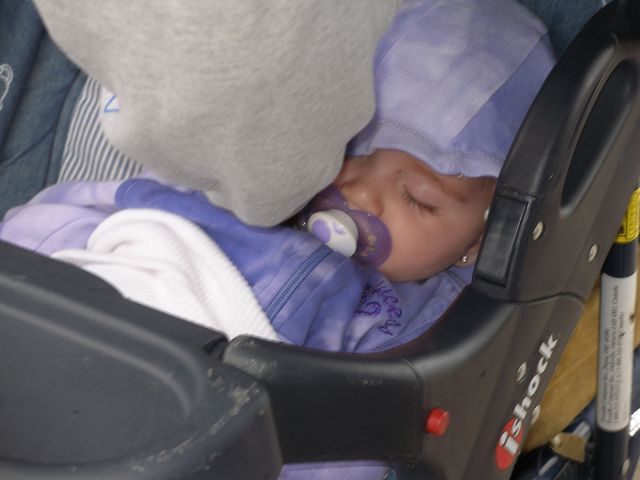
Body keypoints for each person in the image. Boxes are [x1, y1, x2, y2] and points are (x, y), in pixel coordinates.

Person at [0, 0, 554, 476]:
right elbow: (91, 211)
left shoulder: (405, 327)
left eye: (417, 199)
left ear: (476, 243)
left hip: (192, 419)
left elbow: (350, 437)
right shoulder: (236, 179)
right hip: (84, 328)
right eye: (351, 151)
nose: (362, 193)